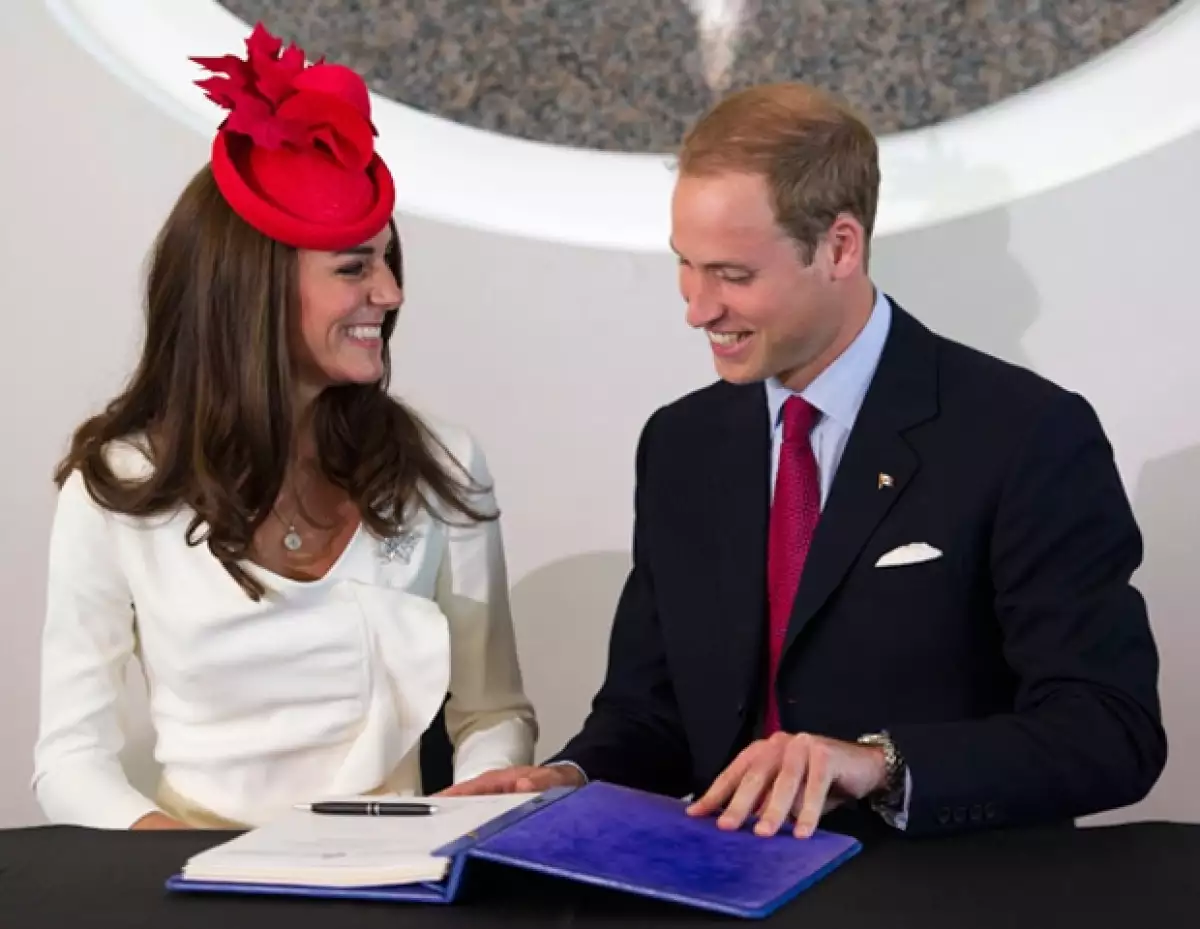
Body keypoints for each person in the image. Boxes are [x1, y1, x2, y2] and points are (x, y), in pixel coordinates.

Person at [444, 82, 1167, 838]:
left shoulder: (1025, 433)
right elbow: (650, 714)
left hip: (938, 886)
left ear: (840, 247)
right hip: (720, 880)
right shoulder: (681, 443)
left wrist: (879, 765)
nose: (697, 308)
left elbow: (1109, 730)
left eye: (733, 275)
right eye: (686, 265)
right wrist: (568, 778)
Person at [32, 23, 535, 830]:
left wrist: (466, 805)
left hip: (393, 866)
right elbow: (69, 759)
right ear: (252, 289)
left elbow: (493, 711)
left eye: (388, 260)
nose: (390, 293)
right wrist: (179, 859)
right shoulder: (118, 487)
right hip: (188, 871)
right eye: (354, 267)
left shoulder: (444, 462)